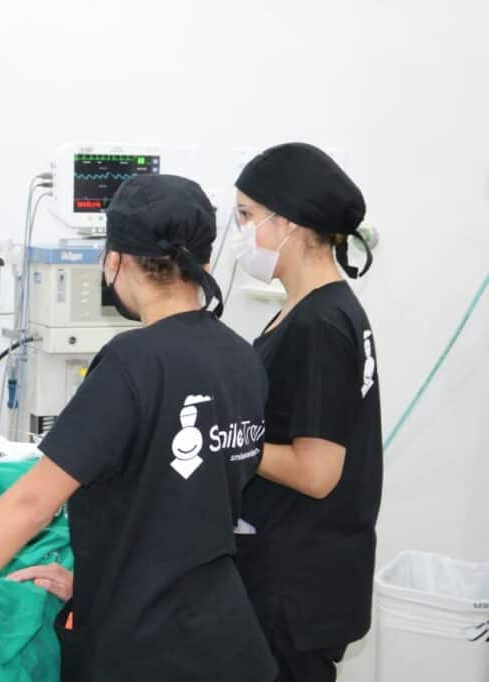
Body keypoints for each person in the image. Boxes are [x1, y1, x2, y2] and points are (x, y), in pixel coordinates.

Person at [0, 174, 278, 682]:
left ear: (114, 259)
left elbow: (31, 503)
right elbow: (182, 505)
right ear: (204, 262)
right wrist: (96, 584)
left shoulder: (134, 362)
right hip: (226, 637)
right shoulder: (241, 357)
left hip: (150, 650)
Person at [228, 142, 383, 681]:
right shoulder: (311, 310)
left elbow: (317, 473)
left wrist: (230, 441)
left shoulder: (320, 325)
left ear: (288, 222)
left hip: (296, 586)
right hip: (293, 570)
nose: (240, 231)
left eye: (246, 214)